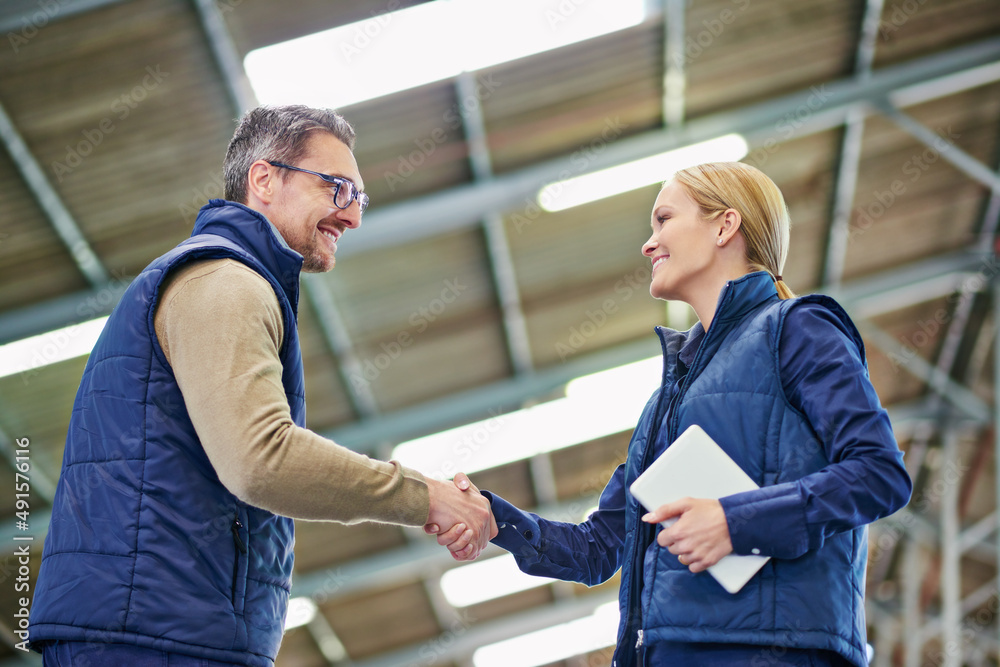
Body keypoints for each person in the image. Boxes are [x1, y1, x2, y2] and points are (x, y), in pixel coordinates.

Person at [29, 105, 495, 667]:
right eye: (337, 188)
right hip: (153, 637)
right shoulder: (225, 281)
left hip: (166, 629)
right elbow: (261, 459)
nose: (352, 217)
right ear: (264, 179)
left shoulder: (230, 280)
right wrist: (428, 497)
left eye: (360, 199)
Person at [431, 162, 912, 666]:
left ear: (725, 226)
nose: (648, 243)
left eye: (663, 219)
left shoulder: (798, 330)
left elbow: (879, 474)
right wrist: (494, 520)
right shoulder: (667, 400)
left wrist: (734, 522)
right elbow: (598, 548)